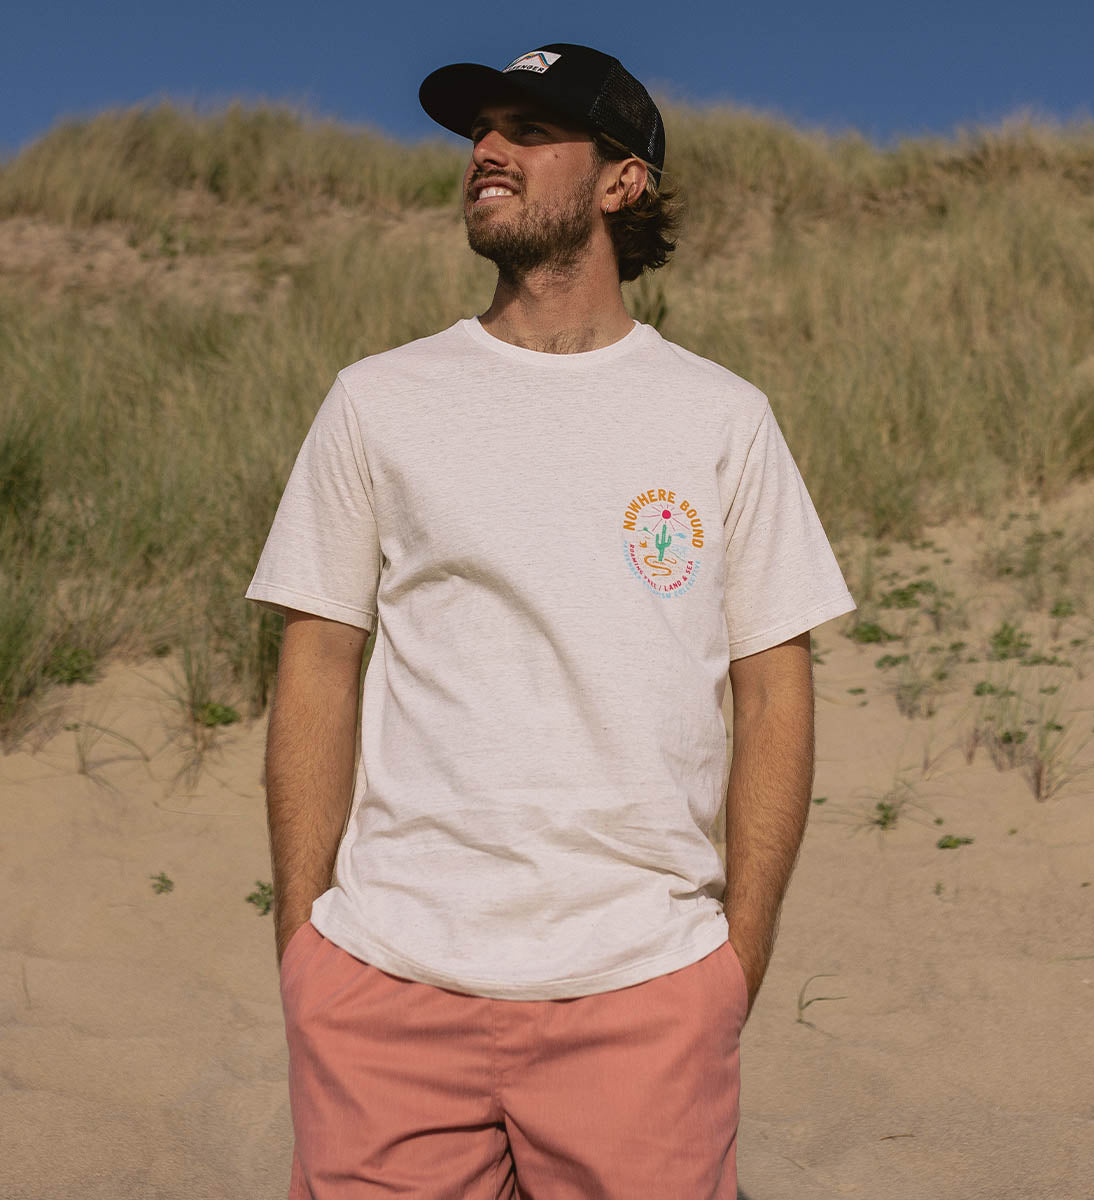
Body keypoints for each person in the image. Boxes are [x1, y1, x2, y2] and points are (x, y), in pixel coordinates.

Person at [246, 41, 855, 1200]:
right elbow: (317, 661)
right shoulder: (379, 399)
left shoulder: (722, 417)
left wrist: (736, 959)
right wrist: (304, 944)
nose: (487, 151)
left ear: (623, 181)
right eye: (482, 132)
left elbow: (775, 685)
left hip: (645, 990)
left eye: (530, 133)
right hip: (384, 987)